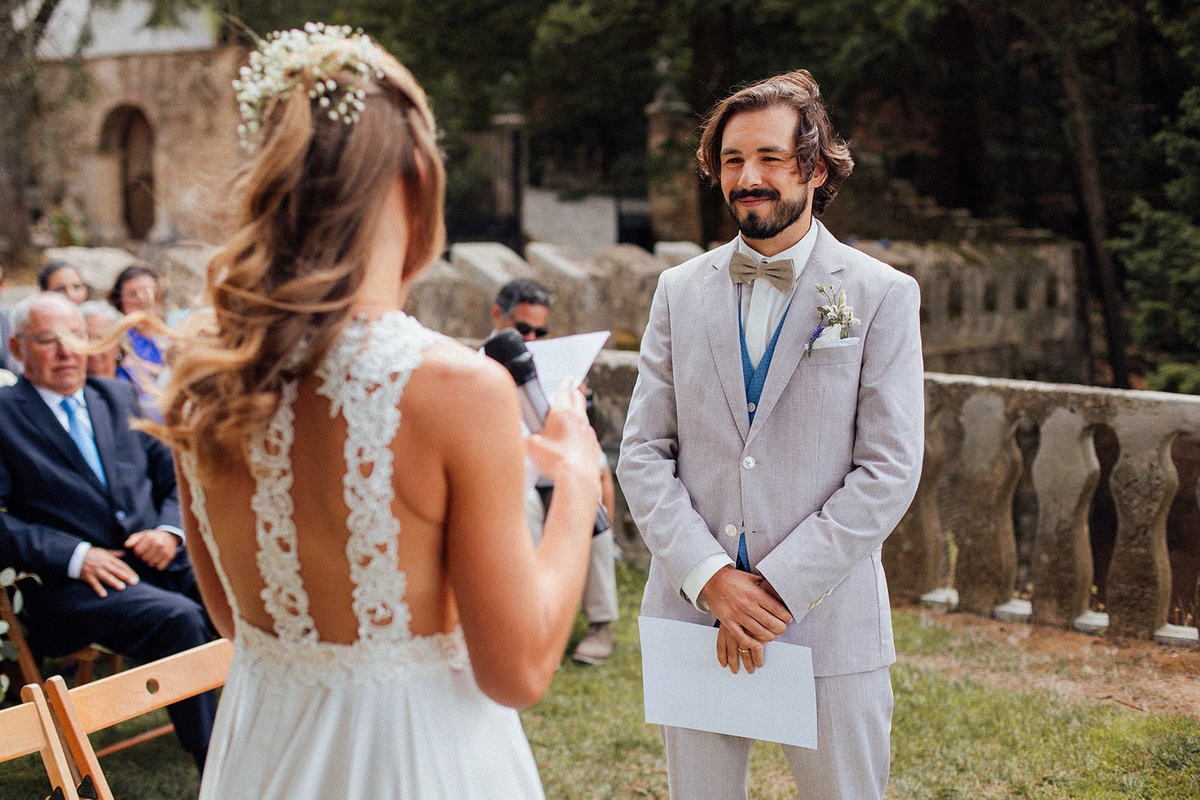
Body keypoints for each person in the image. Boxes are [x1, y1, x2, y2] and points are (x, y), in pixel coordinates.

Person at [151, 23, 601, 799]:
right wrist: (582, 482)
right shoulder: (460, 390)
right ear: (418, 174)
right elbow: (520, 668)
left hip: (264, 752)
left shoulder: (202, 374)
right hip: (418, 763)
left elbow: (235, 621)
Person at [617, 69, 924, 799]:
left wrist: (773, 591)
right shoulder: (678, 290)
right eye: (731, 161)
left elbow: (889, 468)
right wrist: (711, 578)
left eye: (769, 159)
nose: (747, 177)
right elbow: (643, 451)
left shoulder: (879, 295)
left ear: (815, 169)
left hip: (826, 622)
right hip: (692, 613)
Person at [0, 291, 217, 775]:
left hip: (156, 561)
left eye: (75, 338)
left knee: (235, 596)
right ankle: (218, 763)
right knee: (181, 620)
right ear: (16, 348)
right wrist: (75, 555)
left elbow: (174, 475)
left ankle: (262, 734)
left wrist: (168, 531)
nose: (66, 351)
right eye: (47, 341)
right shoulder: (4, 414)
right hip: (72, 587)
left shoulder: (112, 395)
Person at [491, 278, 620, 664]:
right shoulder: (476, 364)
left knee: (589, 499)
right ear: (499, 315)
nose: (532, 337)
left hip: (553, 464)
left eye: (540, 331)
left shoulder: (555, 367)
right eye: (523, 328)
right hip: (507, 471)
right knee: (525, 505)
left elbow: (597, 463)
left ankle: (601, 623)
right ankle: (529, 617)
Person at [107, 263, 167, 417]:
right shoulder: (116, 339)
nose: (141, 299)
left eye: (148, 292)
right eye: (132, 294)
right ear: (120, 300)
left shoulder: (175, 332)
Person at [79, 300, 123, 378]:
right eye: (86, 338)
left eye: (101, 339)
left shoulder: (136, 381)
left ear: (118, 345)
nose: (93, 346)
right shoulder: (71, 388)